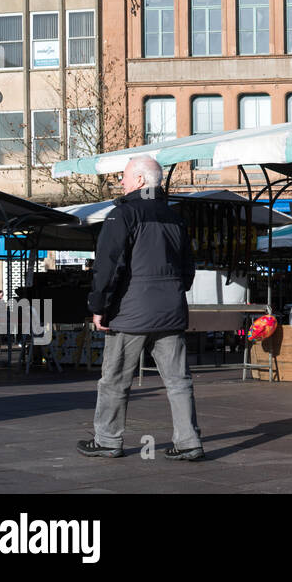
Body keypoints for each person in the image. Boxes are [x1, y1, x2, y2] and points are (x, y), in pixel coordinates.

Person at [79, 156, 203, 461]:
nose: (120, 181)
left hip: (129, 314)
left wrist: (99, 307)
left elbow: (108, 267)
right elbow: (189, 268)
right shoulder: (176, 217)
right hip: (170, 312)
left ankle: (108, 439)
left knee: (115, 381)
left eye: (124, 176)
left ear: (138, 181)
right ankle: (188, 441)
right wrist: (173, 292)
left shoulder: (122, 214)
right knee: (179, 382)